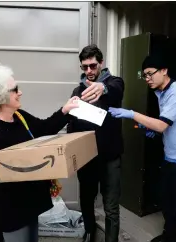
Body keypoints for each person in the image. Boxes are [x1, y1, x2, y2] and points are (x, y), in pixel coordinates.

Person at [0, 63, 79, 242]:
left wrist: (65, 111)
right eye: (15, 89)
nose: (20, 92)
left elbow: (44, 128)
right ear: (1, 96)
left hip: (30, 205)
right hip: (12, 212)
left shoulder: (19, 116)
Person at [108, 55, 176, 242]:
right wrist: (155, 130)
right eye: (144, 75)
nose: (148, 79)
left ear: (164, 70)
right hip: (171, 156)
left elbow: (161, 124)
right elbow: (169, 124)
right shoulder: (160, 92)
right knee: (167, 203)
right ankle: (170, 236)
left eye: (150, 74)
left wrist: (132, 114)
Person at [66, 44, 125, 242]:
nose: (89, 71)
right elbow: (71, 125)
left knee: (111, 206)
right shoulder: (78, 90)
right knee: (86, 202)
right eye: (85, 67)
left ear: (101, 63)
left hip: (110, 157)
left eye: (93, 66)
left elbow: (116, 90)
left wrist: (103, 87)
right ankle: (89, 233)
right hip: (87, 159)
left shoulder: (114, 83)